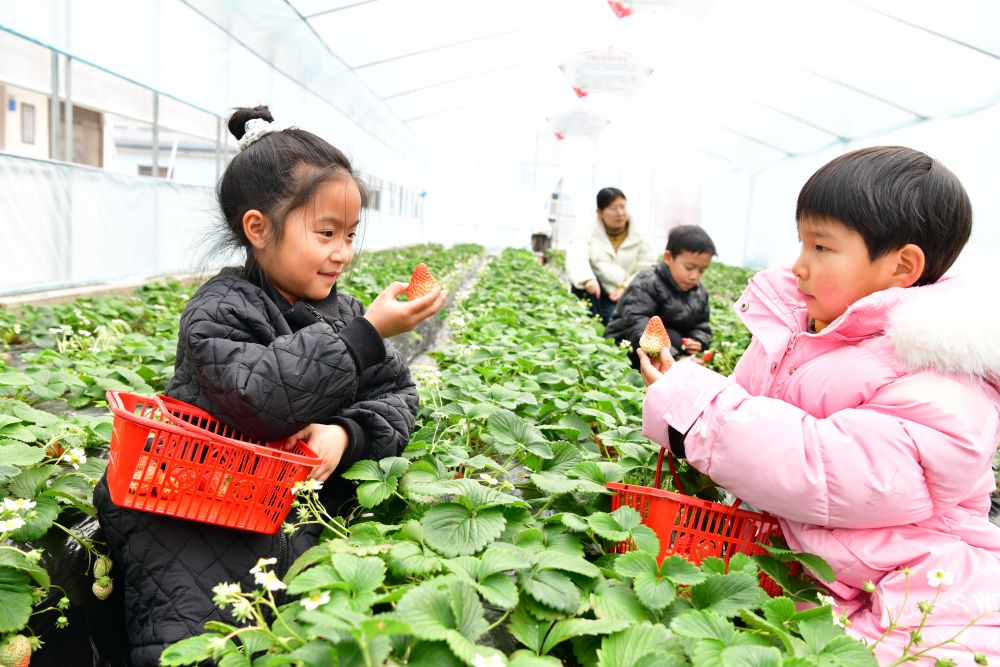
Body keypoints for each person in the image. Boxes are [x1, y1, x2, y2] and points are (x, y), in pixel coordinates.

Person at [93, 106, 446, 666]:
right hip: (193, 518)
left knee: (288, 642)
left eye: (351, 234)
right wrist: (366, 335)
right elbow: (263, 402)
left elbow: (400, 395)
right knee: (199, 647)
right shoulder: (218, 310)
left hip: (282, 515)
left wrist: (345, 433)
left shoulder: (343, 312)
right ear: (258, 228)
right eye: (326, 233)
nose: (343, 252)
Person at [638, 146, 1000, 664]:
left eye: (822, 247)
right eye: (801, 242)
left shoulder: (942, 371)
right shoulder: (807, 332)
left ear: (902, 266)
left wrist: (693, 404)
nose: (799, 265)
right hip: (820, 567)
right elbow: (749, 411)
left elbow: (822, 469)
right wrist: (686, 389)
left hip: (912, 589)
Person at [604, 224, 715, 368]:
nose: (694, 276)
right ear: (668, 257)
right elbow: (636, 323)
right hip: (628, 344)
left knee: (674, 339)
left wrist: (697, 340)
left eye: (701, 271)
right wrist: (673, 357)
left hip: (668, 347)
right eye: (689, 268)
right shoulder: (647, 282)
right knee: (672, 338)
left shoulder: (699, 293)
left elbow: (701, 325)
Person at [566, 187, 658, 324]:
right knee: (584, 300)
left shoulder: (641, 235)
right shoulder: (586, 232)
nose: (620, 213)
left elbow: (646, 267)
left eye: (622, 206)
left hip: (629, 292)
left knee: (616, 321)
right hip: (598, 290)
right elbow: (577, 257)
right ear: (600, 213)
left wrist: (625, 288)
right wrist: (587, 280)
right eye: (613, 208)